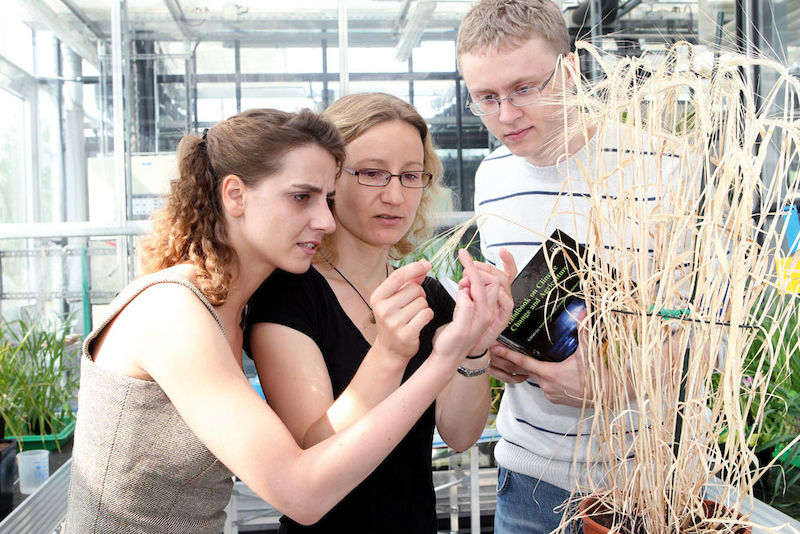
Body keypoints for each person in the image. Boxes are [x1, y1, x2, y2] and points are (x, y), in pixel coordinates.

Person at [63, 108, 500, 534]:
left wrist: (470, 346)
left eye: (326, 199)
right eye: (301, 197)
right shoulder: (173, 311)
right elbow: (302, 494)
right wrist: (439, 359)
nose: (326, 220)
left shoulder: (225, 308)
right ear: (234, 195)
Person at [456, 1, 685, 532]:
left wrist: (613, 385)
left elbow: (709, 331)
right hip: (527, 480)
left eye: (523, 88)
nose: (505, 116)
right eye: (486, 98)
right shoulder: (492, 176)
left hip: (643, 485)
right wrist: (493, 342)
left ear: (570, 68)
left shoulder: (665, 166)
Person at [244, 93, 514, 533]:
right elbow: (313, 455)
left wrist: (475, 351)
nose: (395, 195)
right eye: (372, 173)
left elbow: (461, 434)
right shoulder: (288, 294)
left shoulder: (427, 295)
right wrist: (389, 351)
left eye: (410, 176)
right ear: (329, 177)